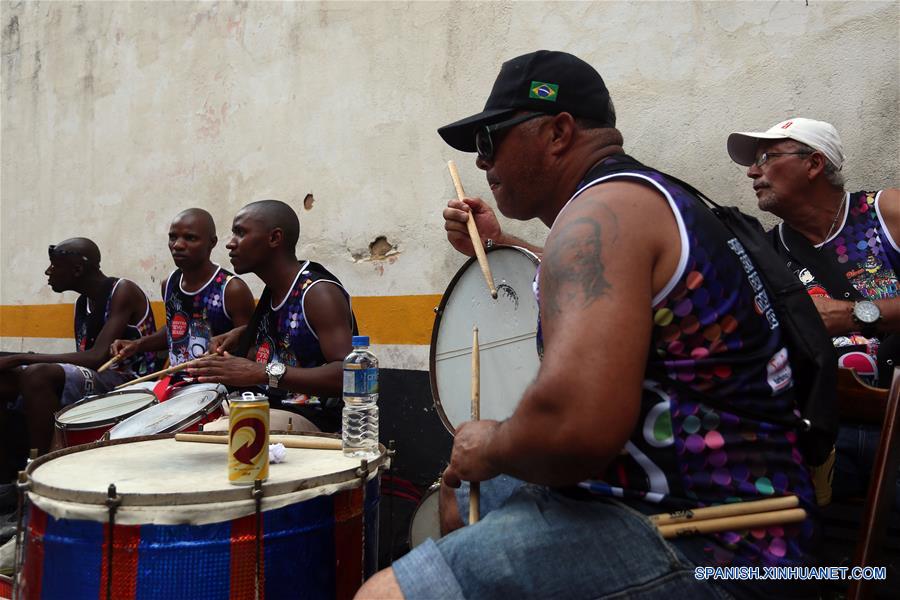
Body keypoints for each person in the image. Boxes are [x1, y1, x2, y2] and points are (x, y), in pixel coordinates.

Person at [358, 50, 818, 599]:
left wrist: (490, 442)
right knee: (458, 497)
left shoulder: (598, 215)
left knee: (384, 593)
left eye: (490, 141)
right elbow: (601, 284)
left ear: (557, 132)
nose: (481, 163)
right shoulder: (647, 197)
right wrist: (504, 244)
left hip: (714, 542)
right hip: (725, 507)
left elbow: (574, 426)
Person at [727, 118, 900, 506]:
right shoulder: (764, 254)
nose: (753, 172)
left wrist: (854, 314)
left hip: (895, 421)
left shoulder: (883, 212)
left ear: (814, 163)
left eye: (766, 157)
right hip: (818, 435)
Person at [189, 200, 356, 432]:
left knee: (220, 431)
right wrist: (240, 337)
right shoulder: (274, 290)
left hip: (318, 418)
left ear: (274, 238)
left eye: (240, 233)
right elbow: (293, 349)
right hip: (272, 406)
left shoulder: (317, 293)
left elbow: (348, 374)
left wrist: (262, 372)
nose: (230, 244)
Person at [0, 238, 158, 471]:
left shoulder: (122, 291)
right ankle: (8, 479)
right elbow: (82, 362)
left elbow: (95, 358)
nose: (48, 271)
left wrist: (23, 358)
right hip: (97, 377)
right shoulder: (83, 304)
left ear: (77, 269)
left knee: (37, 374)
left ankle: (41, 471)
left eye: (54, 265)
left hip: (129, 383)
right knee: (6, 378)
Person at [109, 208, 255, 379]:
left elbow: (248, 347)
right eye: (173, 237)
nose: (177, 245)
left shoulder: (231, 289)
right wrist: (136, 345)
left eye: (190, 238)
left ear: (212, 242)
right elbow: (175, 331)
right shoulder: (169, 284)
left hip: (217, 387)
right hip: (176, 384)